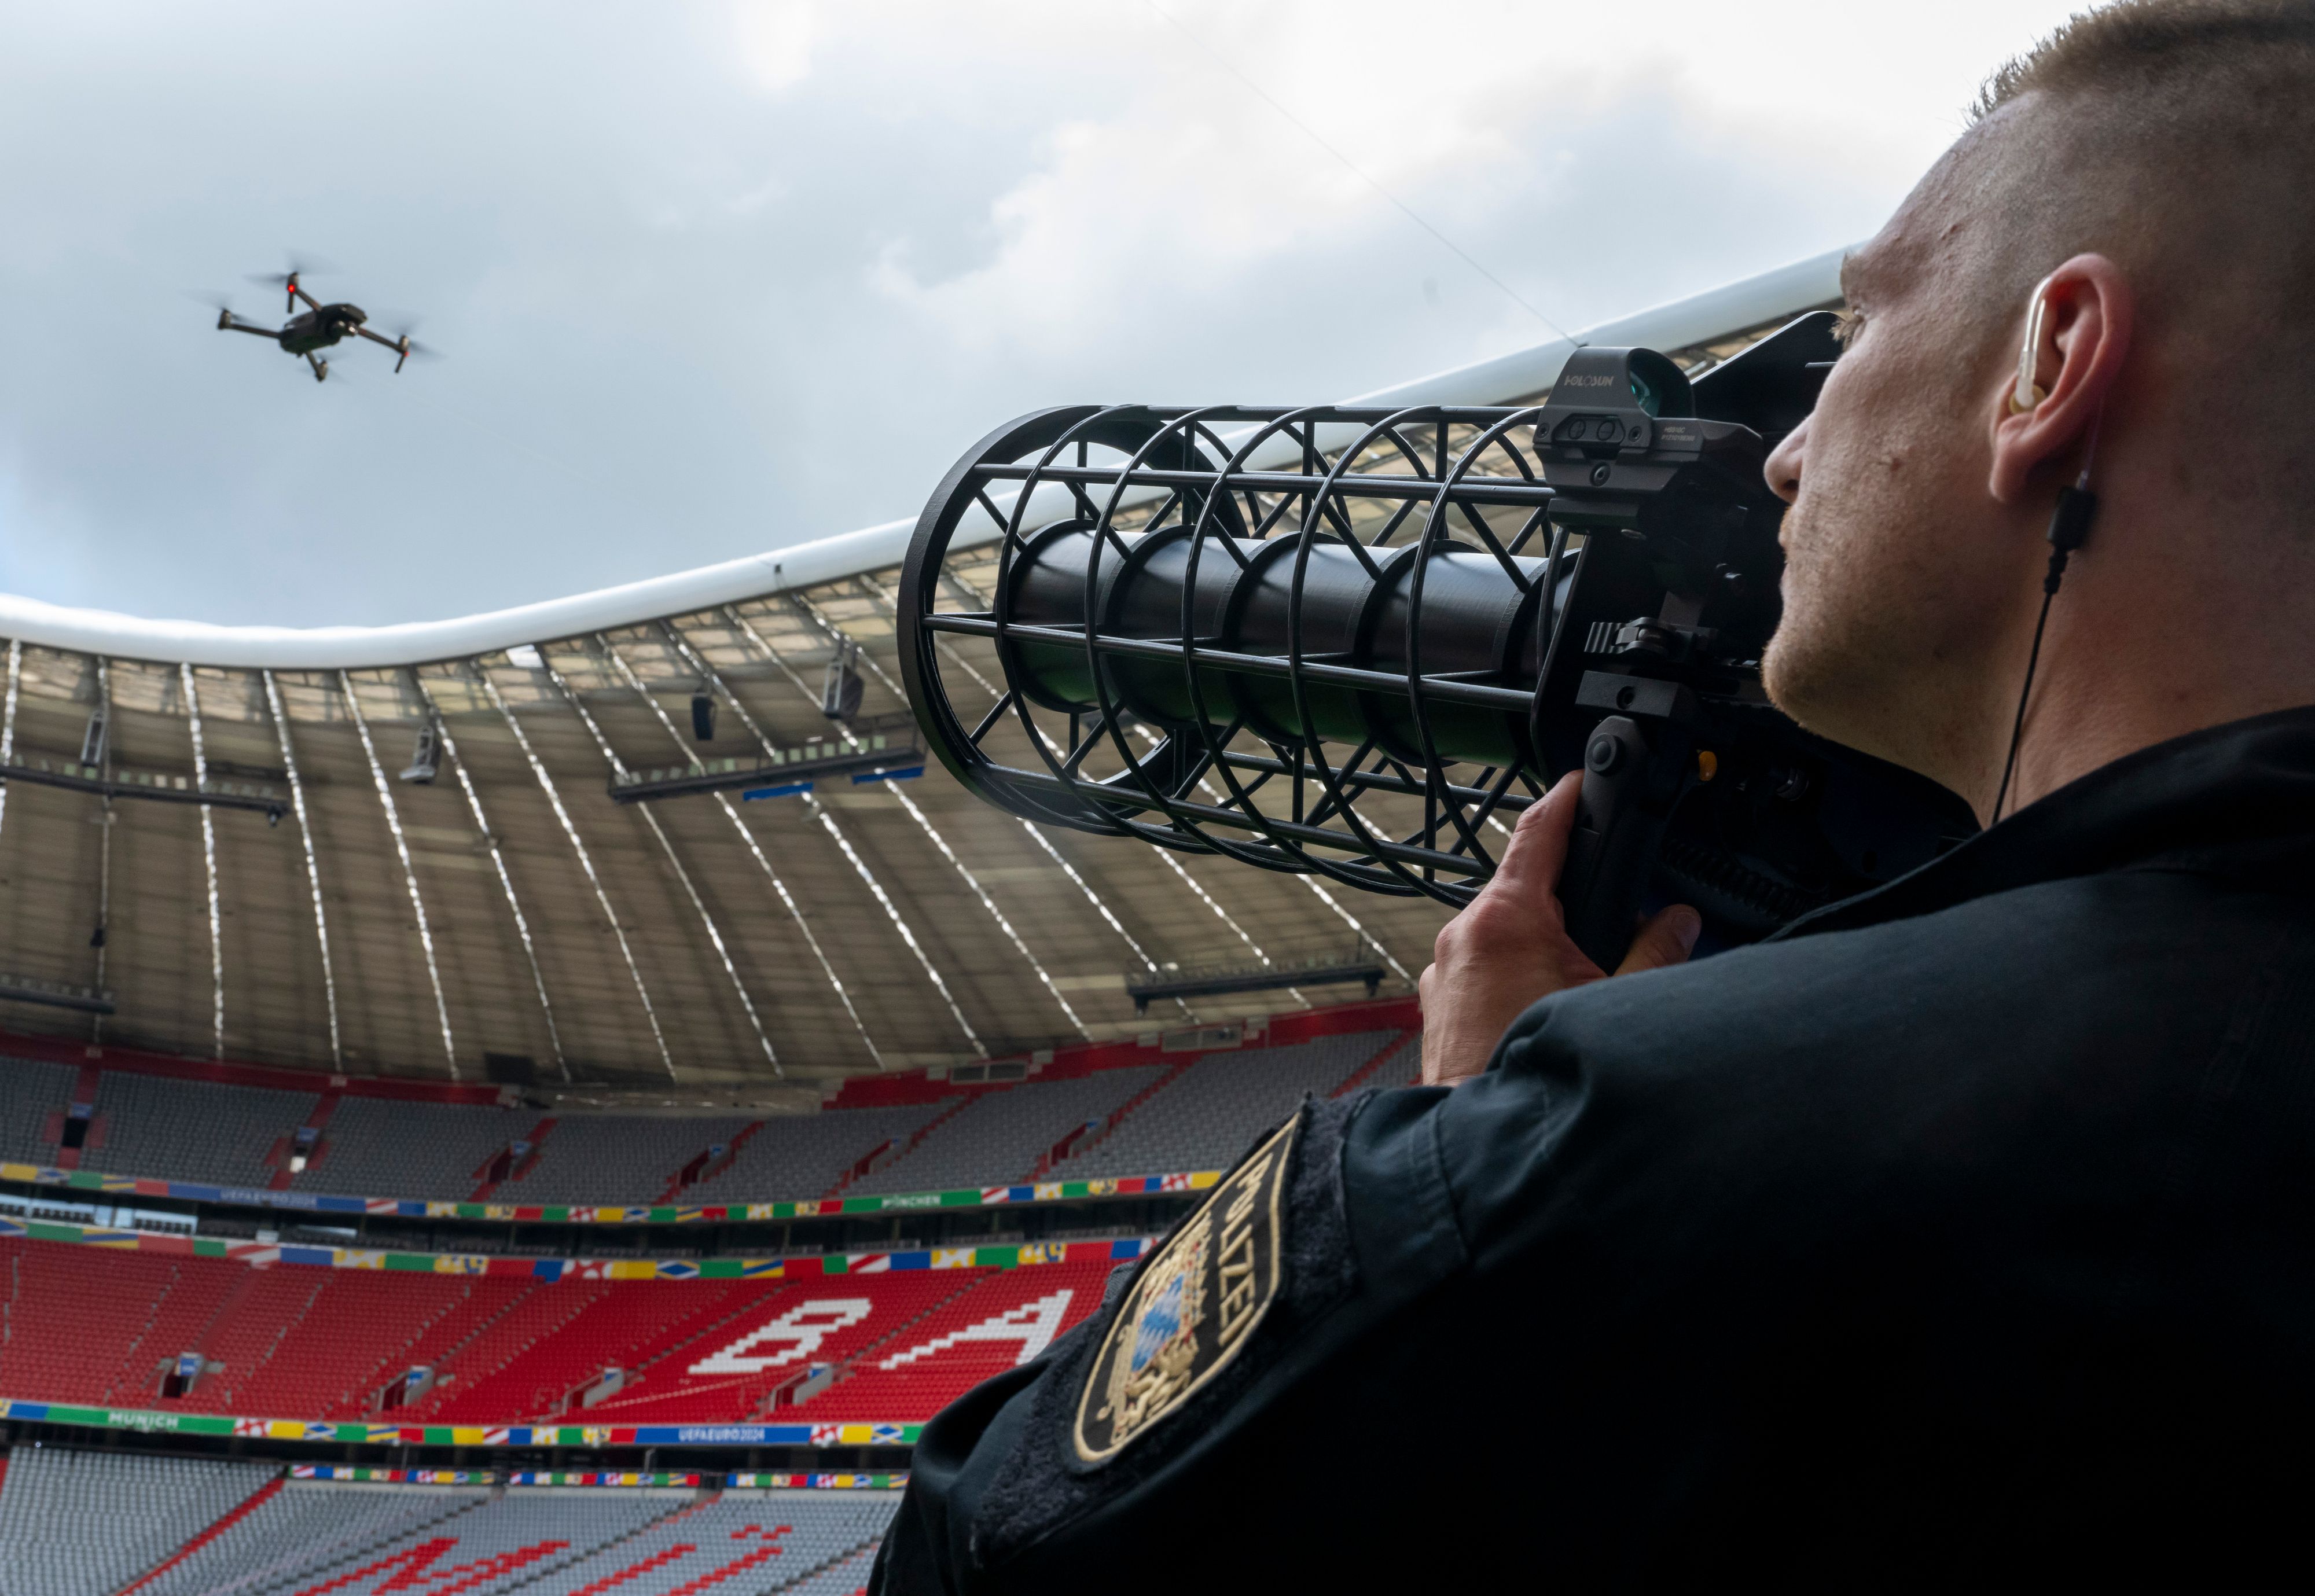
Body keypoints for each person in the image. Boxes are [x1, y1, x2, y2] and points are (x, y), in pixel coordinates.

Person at [873, 2, 2315, 1586]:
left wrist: (1469, 1138)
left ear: (2050, 365)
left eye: (1858, 333)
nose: (1785, 452)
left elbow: (976, 1554)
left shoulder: (1659, 1144)